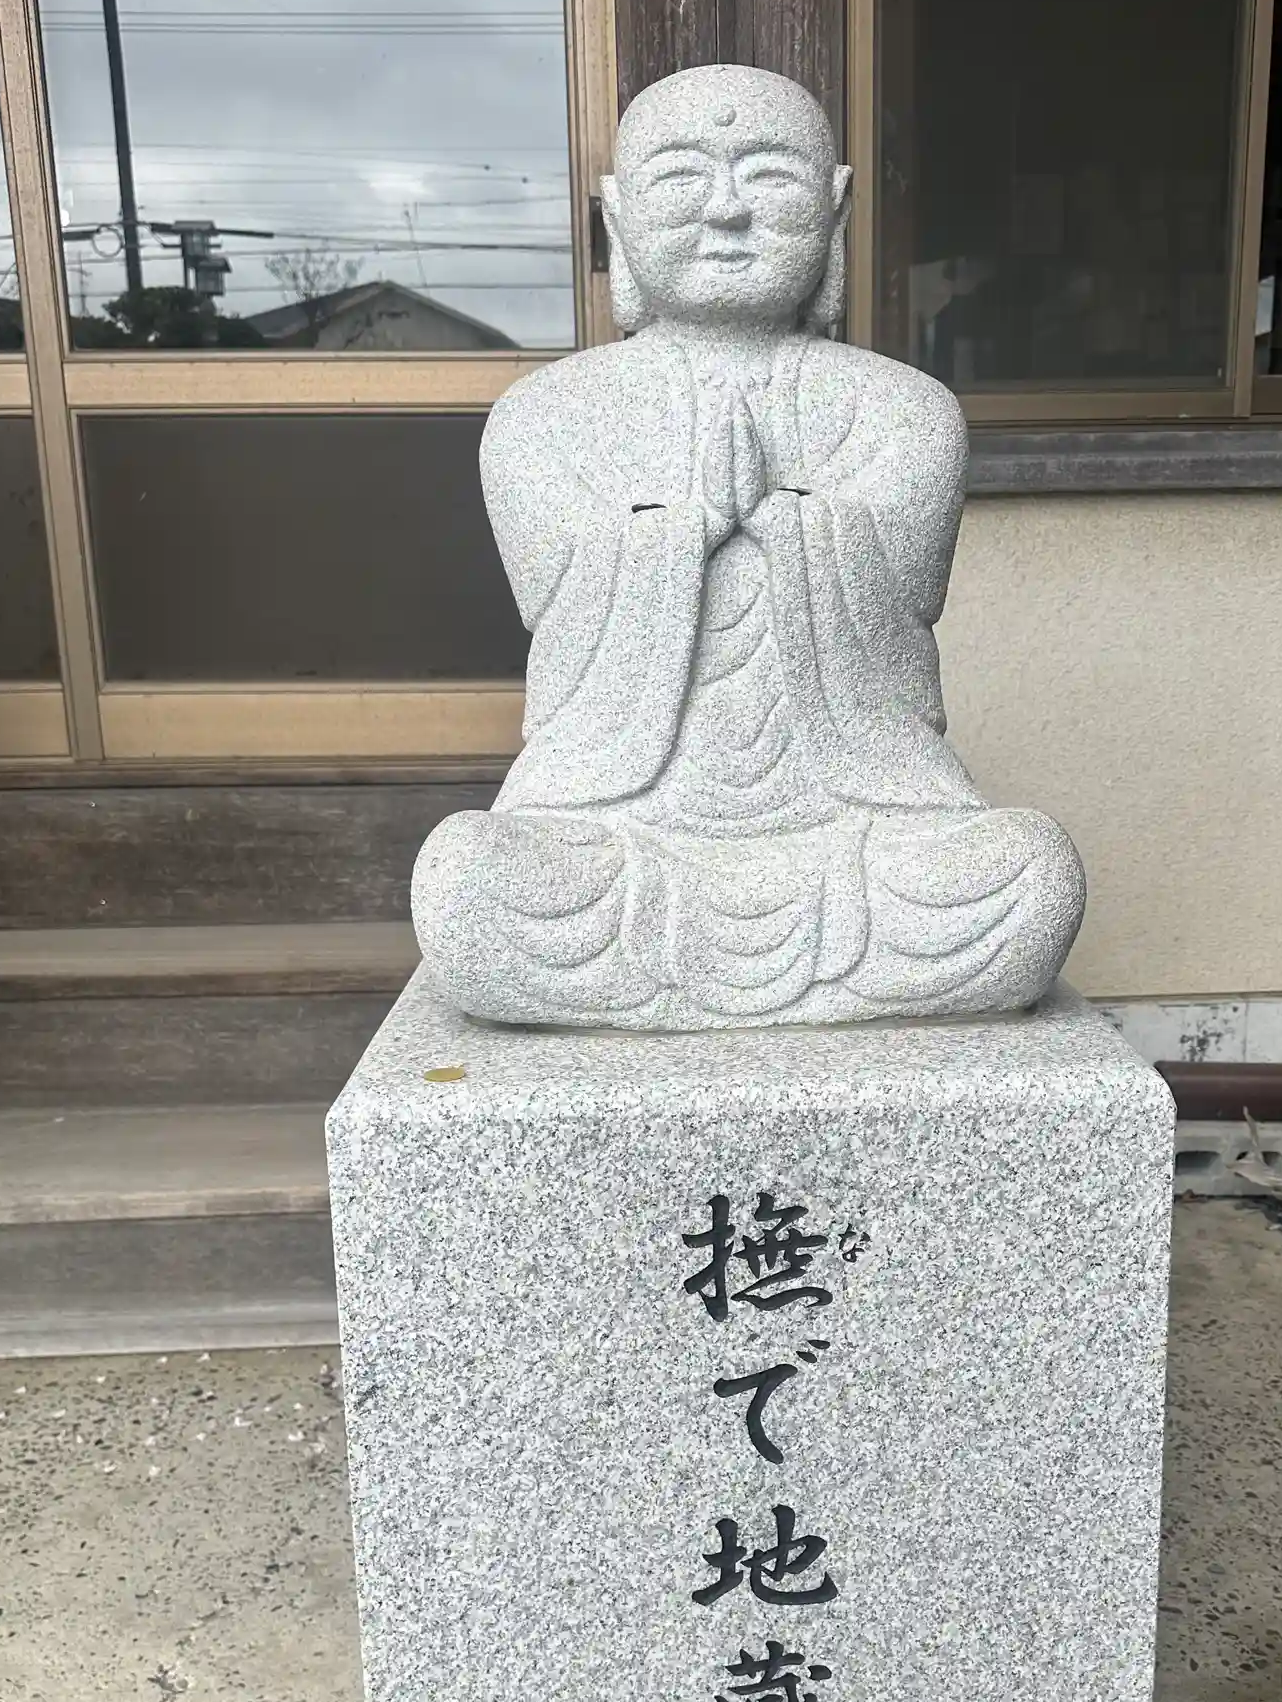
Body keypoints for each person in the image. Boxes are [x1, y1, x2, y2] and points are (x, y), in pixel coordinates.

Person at [413, 64, 1085, 1030]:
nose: (726, 211)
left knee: (1031, 874)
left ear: (834, 210)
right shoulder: (542, 418)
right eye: (682, 178)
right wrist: (687, 529)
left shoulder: (905, 411)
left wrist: (779, 521)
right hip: (623, 826)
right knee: (468, 883)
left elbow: (901, 608)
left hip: (849, 825)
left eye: (768, 175)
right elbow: (557, 616)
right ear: (617, 219)